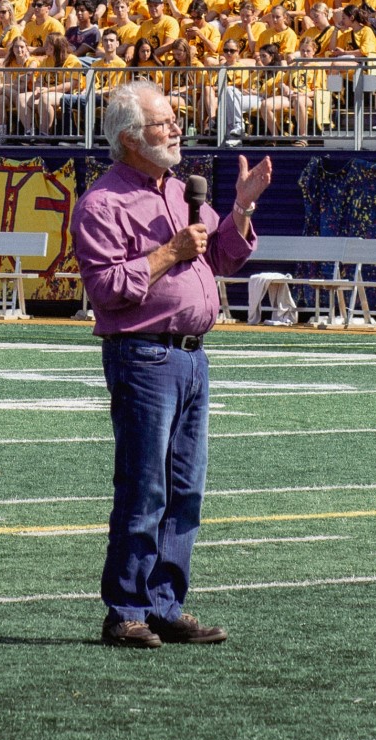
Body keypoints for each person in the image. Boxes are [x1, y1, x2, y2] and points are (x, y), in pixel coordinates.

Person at [70, 79, 272, 649]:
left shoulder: (184, 193)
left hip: (192, 357)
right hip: (144, 356)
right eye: (163, 122)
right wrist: (169, 253)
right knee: (145, 487)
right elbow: (107, 288)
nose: (176, 128)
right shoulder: (103, 203)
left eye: (176, 119)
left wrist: (242, 206)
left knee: (186, 490)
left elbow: (227, 256)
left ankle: (165, 604)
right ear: (131, 137)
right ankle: (125, 610)